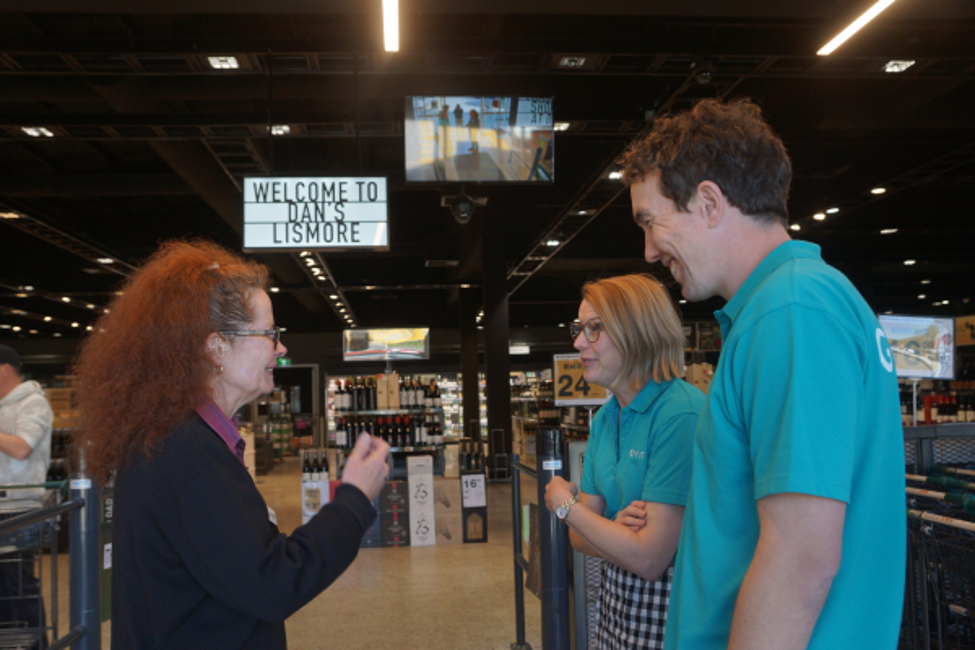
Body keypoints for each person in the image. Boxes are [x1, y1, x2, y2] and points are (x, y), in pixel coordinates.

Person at [618, 98, 905, 650]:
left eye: (651, 223)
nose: (650, 251)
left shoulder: (791, 311)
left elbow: (801, 556)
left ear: (708, 202)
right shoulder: (796, 304)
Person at [72, 240, 390, 650]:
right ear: (217, 346)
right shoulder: (189, 455)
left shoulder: (170, 441)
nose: (281, 347)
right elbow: (273, 583)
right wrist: (354, 500)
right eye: (269, 333)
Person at [543, 274, 703, 649]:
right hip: (616, 608)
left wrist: (564, 504)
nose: (579, 341)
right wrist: (613, 529)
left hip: (672, 616)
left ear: (638, 332)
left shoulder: (680, 414)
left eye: (595, 328)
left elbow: (649, 559)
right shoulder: (605, 418)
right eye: (580, 329)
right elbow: (580, 539)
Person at [0, 344, 54, 650]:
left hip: (20, 511)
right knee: (6, 592)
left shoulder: (34, 403)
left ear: (5, 369)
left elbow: (22, 448)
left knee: (18, 587)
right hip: (6, 507)